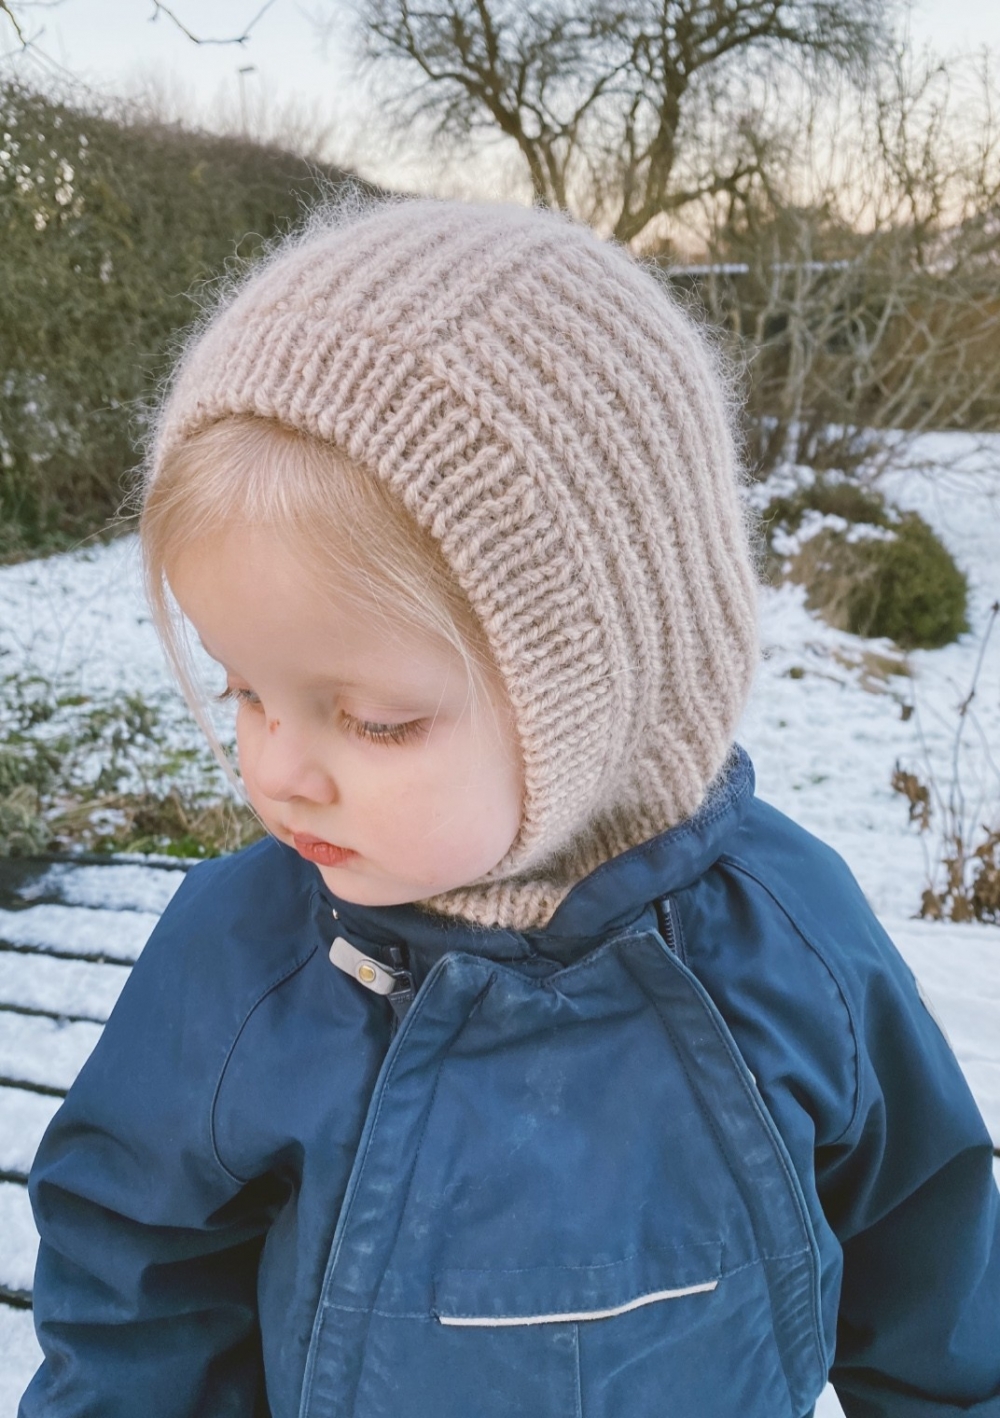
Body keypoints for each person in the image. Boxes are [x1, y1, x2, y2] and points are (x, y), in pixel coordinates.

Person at [20, 198, 1000, 1418]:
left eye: (375, 719)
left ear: (599, 681)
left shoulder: (786, 937)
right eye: (242, 689)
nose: (278, 769)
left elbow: (931, 1264)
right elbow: (135, 1285)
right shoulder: (244, 952)